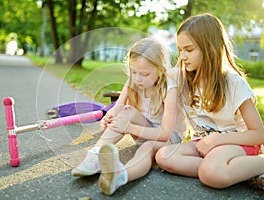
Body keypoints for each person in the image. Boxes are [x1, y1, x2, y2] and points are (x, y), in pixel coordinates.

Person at [155, 13, 264, 190]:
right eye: (180, 50)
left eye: (189, 50)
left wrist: (217, 141)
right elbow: (151, 71)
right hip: (203, 143)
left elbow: (259, 134)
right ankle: (235, 171)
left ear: (210, 49)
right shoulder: (181, 77)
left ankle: (255, 164)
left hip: (236, 143)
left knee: (210, 174)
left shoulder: (234, 83)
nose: (182, 57)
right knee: (164, 156)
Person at [71, 36, 187, 195]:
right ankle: (95, 155)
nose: (138, 78)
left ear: (160, 70)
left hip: (168, 137)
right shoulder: (133, 81)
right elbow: (118, 107)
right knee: (127, 110)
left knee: (147, 147)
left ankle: (120, 176)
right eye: (134, 72)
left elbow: (165, 133)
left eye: (145, 74)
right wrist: (109, 117)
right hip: (144, 128)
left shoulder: (169, 89)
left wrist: (129, 127)